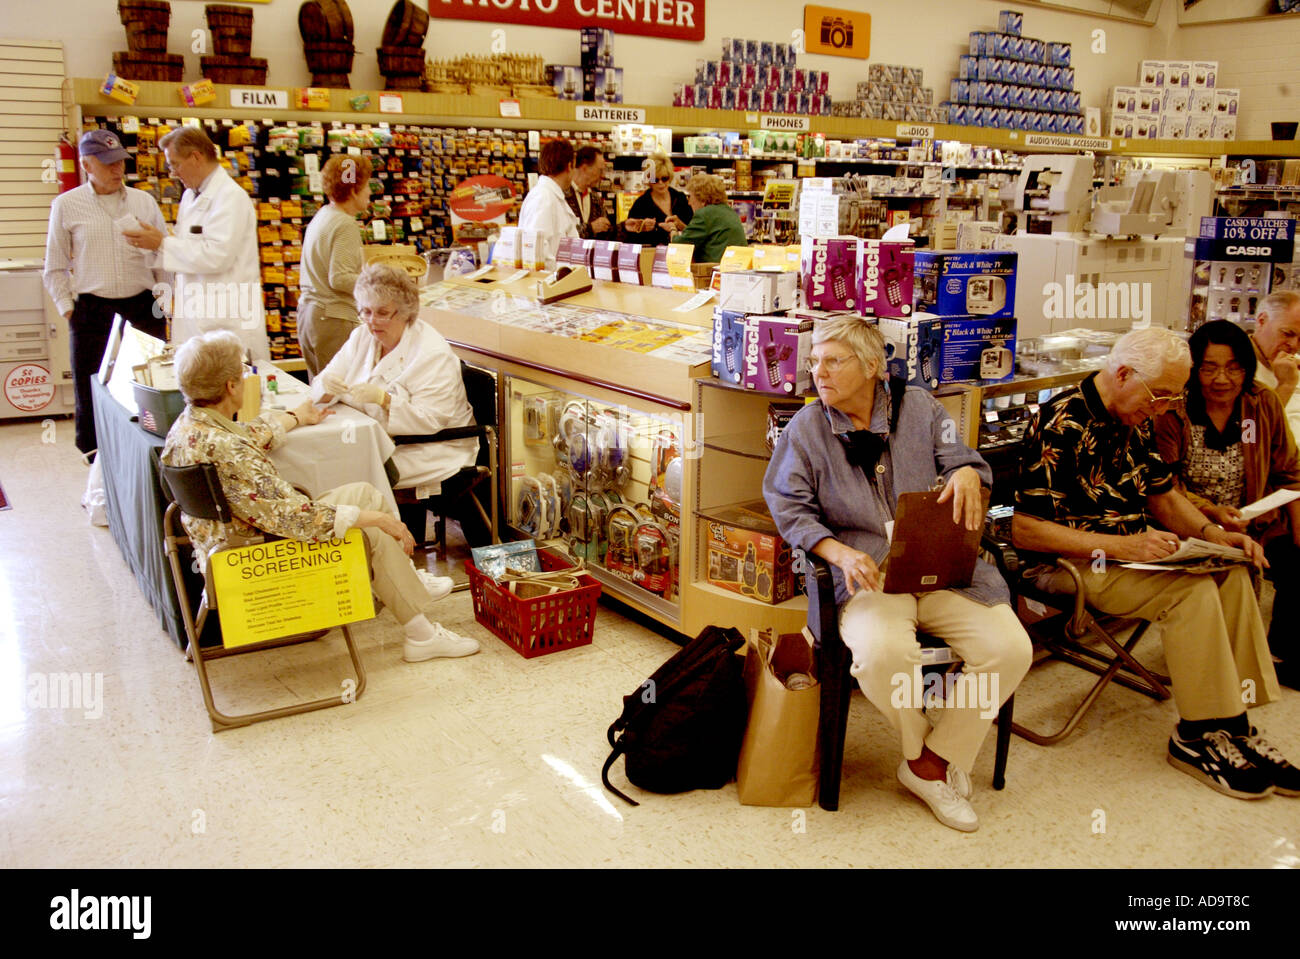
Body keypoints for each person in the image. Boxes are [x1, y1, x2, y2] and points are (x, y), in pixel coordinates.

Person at [763, 315, 1031, 832]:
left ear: (871, 368)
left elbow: (962, 460)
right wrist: (837, 553)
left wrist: (968, 475)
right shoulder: (806, 428)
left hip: (941, 569)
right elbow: (790, 510)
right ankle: (924, 757)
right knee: (883, 653)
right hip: (867, 578)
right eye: (814, 360)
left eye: (832, 360)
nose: (818, 371)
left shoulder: (922, 408)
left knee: (1010, 648)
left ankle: (931, 760)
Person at [1014, 326, 1298, 799]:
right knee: (1192, 594)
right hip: (1073, 562)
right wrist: (1123, 546)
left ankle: (1234, 724)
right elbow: (1025, 530)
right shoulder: (1061, 421)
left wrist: (1213, 534)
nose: (1166, 408)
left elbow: (1163, 495)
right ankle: (1195, 737)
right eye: (1162, 396)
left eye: (1172, 397)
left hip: (1135, 553)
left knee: (1228, 569)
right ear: (1123, 373)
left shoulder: (1138, 413)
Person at [161, 330, 478, 664]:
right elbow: (298, 519)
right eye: (241, 373)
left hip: (227, 543)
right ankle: (421, 635)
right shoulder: (231, 450)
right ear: (230, 386)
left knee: (365, 493)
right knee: (371, 530)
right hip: (252, 556)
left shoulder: (188, 427)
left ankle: (406, 581)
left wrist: (297, 417)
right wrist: (380, 520)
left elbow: (249, 437)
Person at [1155, 320, 1300, 691]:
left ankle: (1283, 653)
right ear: (1193, 369)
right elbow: (1163, 486)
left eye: (1234, 367)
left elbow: (1289, 471)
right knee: (1227, 569)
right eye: (1209, 368)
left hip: (1257, 520)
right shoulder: (1174, 412)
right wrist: (1210, 513)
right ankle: (1215, 660)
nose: (1222, 379)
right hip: (1189, 525)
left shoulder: (1259, 402)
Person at [311, 263, 489, 547]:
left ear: (406, 312)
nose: (372, 321)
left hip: (430, 448)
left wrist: (386, 401)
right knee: (324, 462)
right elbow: (324, 382)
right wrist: (326, 385)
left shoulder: (431, 353)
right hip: (376, 438)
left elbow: (431, 420)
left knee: (348, 474)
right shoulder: (361, 337)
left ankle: (389, 553)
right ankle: (358, 554)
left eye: (382, 313)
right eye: (366, 311)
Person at [43, 129, 169, 456]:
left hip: (142, 308)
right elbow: (54, 265)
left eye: (120, 162)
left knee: (148, 387)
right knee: (91, 389)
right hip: (92, 310)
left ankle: (148, 454)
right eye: (108, 163)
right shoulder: (66, 206)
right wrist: (68, 309)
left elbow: (162, 257)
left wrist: (166, 301)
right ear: (86, 164)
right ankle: (95, 457)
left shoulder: (144, 201)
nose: (117, 170)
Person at [123, 125, 270, 360]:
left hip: (228, 320)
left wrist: (162, 244)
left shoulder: (230, 197)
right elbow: (188, 251)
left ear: (196, 157)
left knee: (234, 389)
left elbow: (217, 256)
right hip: (198, 317)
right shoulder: (190, 196)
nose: (173, 172)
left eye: (175, 164)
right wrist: (153, 245)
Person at [297, 154, 373, 378]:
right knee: (340, 394)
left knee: (321, 392)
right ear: (352, 190)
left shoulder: (323, 215)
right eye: (366, 185)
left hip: (309, 315)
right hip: (333, 318)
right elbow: (339, 278)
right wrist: (376, 281)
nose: (369, 192)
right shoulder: (345, 223)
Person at [516, 137, 579, 269]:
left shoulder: (551, 196)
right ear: (569, 166)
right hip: (549, 283)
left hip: (559, 282)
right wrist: (558, 275)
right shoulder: (543, 197)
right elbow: (536, 249)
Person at [1249, 291, 1300, 440]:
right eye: (1287, 333)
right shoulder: (1235, 368)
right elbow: (1249, 436)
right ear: (1262, 321)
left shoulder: (1295, 362)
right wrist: (1285, 385)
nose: (1293, 345)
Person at [666, 174, 748, 263]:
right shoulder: (728, 211)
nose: (689, 203)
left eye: (690, 197)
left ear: (702, 199)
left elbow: (680, 245)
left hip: (714, 270)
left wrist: (672, 229)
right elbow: (706, 234)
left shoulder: (704, 214)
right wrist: (682, 226)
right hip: (736, 267)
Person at [621, 153, 693, 248]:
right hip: (653, 255)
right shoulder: (641, 204)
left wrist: (680, 225)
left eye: (664, 178)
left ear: (670, 177)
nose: (660, 183)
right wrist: (651, 229)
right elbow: (632, 238)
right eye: (655, 179)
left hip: (681, 253)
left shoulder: (680, 198)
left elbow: (693, 231)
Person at [565, 144, 613, 241]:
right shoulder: (562, 196)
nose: (603, 175)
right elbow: (562, 235)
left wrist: (625, 227)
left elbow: (606, 234)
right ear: (584, 168)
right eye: (600, 170)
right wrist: (591, 228)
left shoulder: (595, 198)